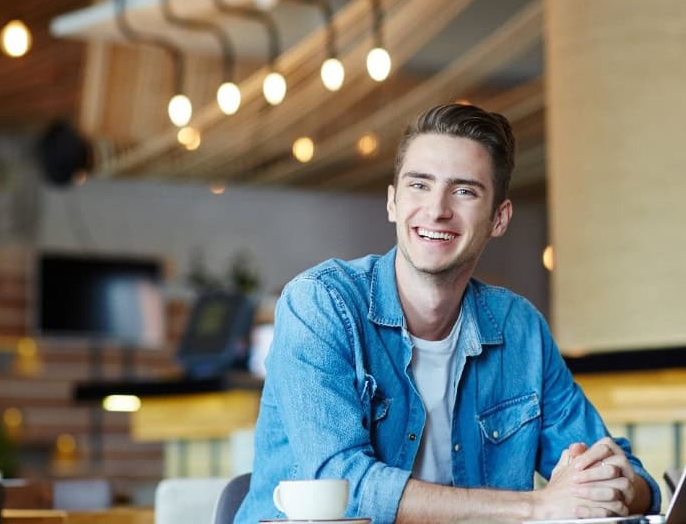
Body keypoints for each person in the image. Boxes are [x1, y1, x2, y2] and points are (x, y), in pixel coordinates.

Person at [234, 104, 661, 524]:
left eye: (463, 191)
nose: (437, 209)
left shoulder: (520, 328)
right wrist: (538, 507)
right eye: (419, 185)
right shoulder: (320, 304)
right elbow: (342, 488)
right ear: (392, 203)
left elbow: (615, 467)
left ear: (499, 217)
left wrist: (620, 486)